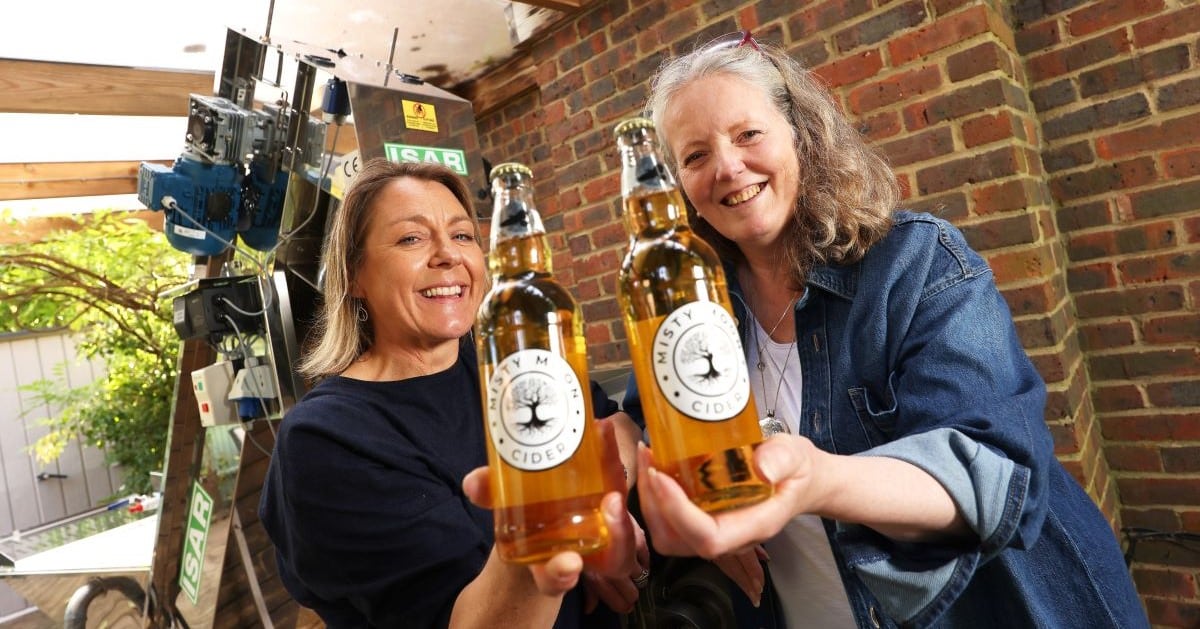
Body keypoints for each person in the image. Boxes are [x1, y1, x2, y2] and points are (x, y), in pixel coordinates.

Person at [623, 31, 1149, 628]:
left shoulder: (918, 263)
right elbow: (655, 432)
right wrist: (626, 444)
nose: (727, 167)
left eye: (748, 134)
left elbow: (992, 474)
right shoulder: (687, 306)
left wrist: (816, 480)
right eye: (694, 156)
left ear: (800, 134)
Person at [258, 158, 648, 628]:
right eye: (411, 238)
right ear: (355, 276)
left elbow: (618, 427)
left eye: (462, 235)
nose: (448, 255)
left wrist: (593, 521)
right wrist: (565, 538)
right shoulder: (325, 439)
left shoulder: (508, 362)